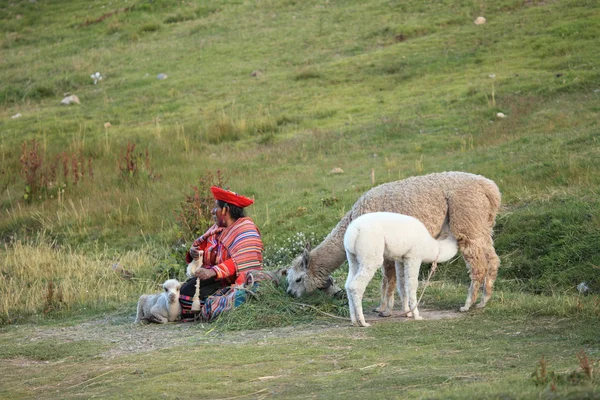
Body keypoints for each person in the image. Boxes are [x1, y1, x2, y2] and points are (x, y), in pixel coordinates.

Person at [179, 186, 264, 317]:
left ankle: (217, 304)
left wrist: (212, 271)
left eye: (216, 208)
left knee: (190, 300)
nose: (213, 211)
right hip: (218, 280)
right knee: (184, 294)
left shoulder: (246, 229)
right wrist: (194, 253)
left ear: (225, 209)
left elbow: (244, 259)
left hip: (238, 283)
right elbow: (205, 248)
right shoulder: (217, 228)